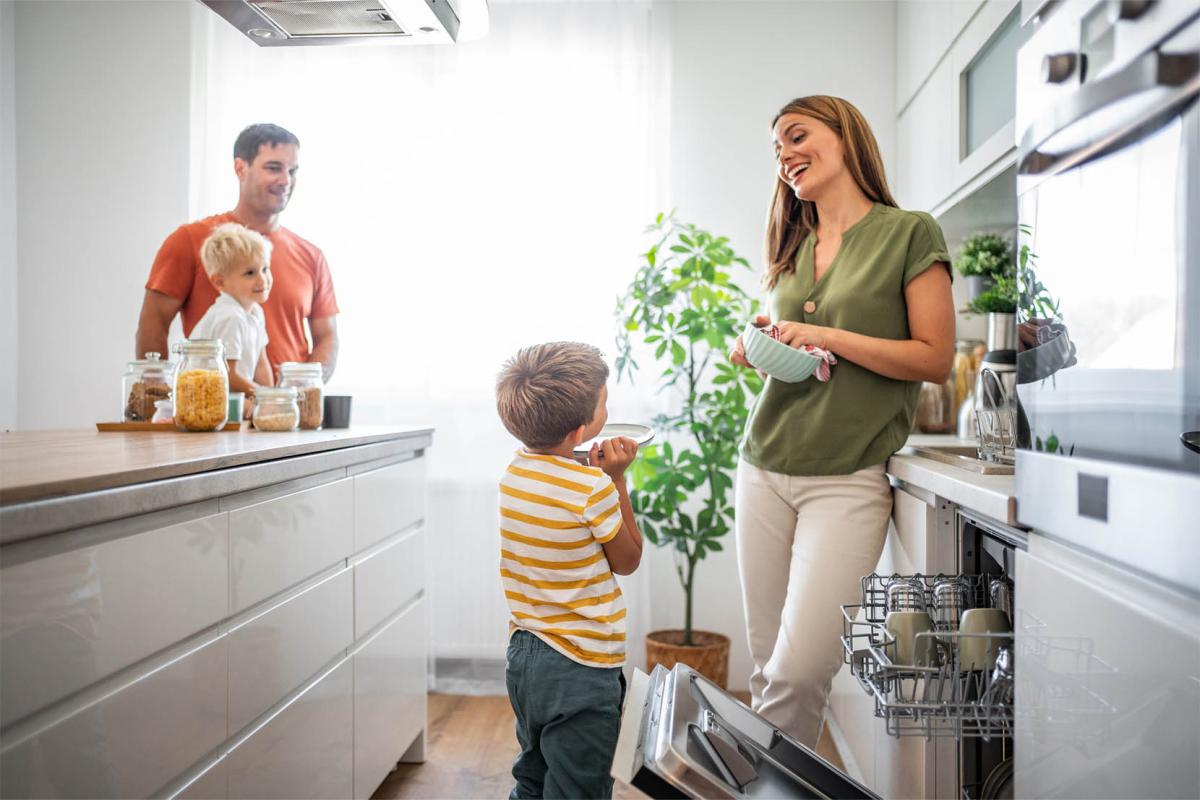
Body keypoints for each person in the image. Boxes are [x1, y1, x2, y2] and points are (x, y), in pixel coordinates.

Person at [728, 95, 956, 746]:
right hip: (764, 466)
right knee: (768, 664)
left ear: (846, 134)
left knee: (798, 676)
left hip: (849, 478)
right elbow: (795, 347)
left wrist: (824, 333)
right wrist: (759, 348)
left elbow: (935, 357)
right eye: (777, 149)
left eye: (797, 136)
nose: (785, 155)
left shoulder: (910, 232)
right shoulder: (793, 242)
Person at [494, 341, 643, 800]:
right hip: (581, 665)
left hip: (526, 659)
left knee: (534, 776)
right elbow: (628, 559)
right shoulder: (593, 487)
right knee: (579, 786)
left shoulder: (514, 473)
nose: (607, 408)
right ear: (582, 430)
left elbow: (557, 489)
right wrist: (617, 478)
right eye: (603, 404)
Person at [135, 123, 339, 382]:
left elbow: (327, 337)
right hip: (220, 414)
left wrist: (302, 389)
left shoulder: (312, 256)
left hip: (287, 414)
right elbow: (154, 322)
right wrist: (157, 399)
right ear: (240, 168)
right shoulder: (190, 241)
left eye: (293, 170)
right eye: (274, 168)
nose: (286, 180)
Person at [191, 222, 274, 403]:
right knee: (255, 413)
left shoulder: (256, 313)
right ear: (219, 282)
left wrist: (272, 397)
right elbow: (228, 375)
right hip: (203, 401)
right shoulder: (231, 317)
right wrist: (266, 398)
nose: (262, 279)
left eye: (265, 269)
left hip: (230, 397)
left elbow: (261, 364)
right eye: (250, 273)